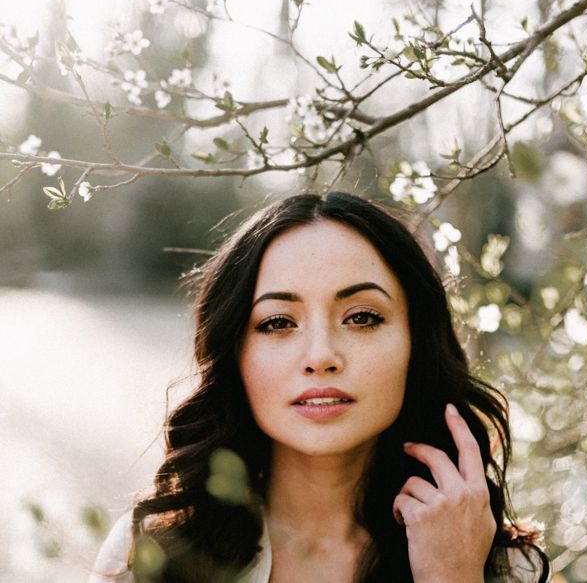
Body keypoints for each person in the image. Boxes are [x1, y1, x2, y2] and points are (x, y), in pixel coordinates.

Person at [89, 191, 549, 583]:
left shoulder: (501, 566)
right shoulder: (153, 555)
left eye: (362, 318)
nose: (321, 356)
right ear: (235, 354)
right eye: (277, 323)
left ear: (416, 342)